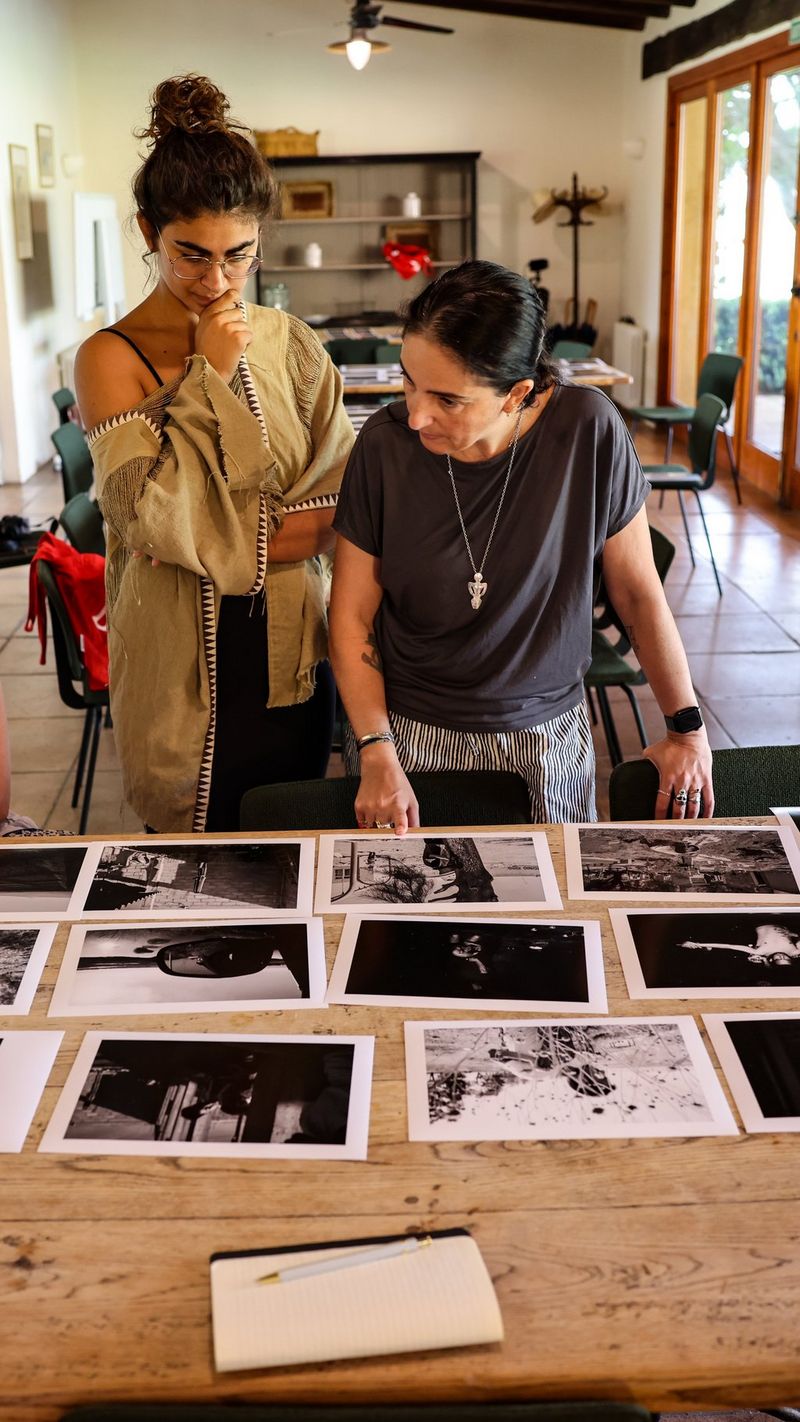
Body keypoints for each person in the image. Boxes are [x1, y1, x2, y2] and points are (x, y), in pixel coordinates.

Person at [329, 260, 714, 832]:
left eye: (448, 400)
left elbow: (637, 593)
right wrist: (374, 748)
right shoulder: (383, 449)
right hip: (407, 734)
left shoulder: (587, 429)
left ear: (518, 393)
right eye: (408, 380)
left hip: (547, 735)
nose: (416, 416)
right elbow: (352, 617)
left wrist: (686, 729)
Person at [75, 75, 353, 832]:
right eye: (190, 254)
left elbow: (341, 506)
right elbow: (145, 521)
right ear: (147, 231)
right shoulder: (109, 356)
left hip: (292, 646)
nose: (217, 280)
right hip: (173, 654)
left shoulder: (292, 343)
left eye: (240, 255)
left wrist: (205, 534)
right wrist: (212, 371)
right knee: (187, 847)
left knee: (288, 833)